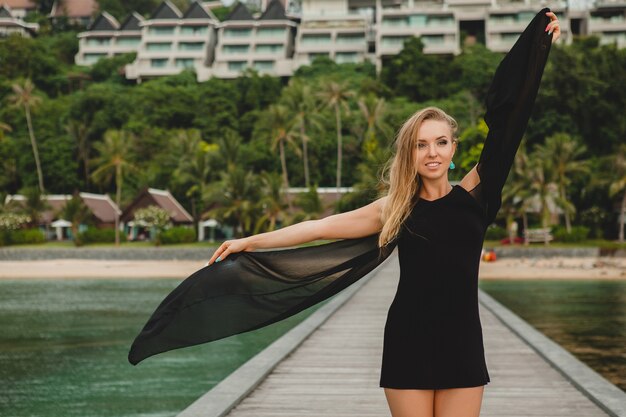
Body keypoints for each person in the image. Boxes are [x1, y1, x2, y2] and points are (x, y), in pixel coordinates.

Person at [129, 9, 560, 417]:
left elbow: (510, 126)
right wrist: (250, 241)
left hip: (463, 342)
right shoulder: (394, 209)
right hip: (408, 341)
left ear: (453, 150)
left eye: (441, 142)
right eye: (420, 144)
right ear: (409, 153)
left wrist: (536, 50)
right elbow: (318, 228)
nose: (431, 152)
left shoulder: (476, 196)